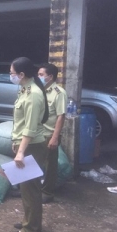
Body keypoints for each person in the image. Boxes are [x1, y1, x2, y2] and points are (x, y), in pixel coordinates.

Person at [9, 57, 49, 232]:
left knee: (30, 189)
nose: (11, 76)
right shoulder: (25, 89)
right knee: (29, 188)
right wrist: (15, 142)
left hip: (31, 146)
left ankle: (29, 230)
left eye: (12, 73)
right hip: (25, 144)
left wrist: (20, 152)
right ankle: (32, 222)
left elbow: (31, 128)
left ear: (22, 74)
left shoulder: (33, 94)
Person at [38, 63, 68, 204]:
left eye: (41, 75)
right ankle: (27, 188)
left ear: (50, 77)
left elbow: (61, 116)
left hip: (49, 134)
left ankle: (47, 192)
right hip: (37, 133)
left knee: (50, 166)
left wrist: (55, 138)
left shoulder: (59, 93)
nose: (39, 77)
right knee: (31, 162)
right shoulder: (39, 90)